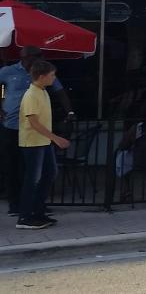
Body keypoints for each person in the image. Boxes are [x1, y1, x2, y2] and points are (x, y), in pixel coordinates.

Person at [2, 47, 74, 219]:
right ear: (26, 57)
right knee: (14, 166)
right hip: (13, 126)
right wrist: (1, 102)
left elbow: (60, 91)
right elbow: (1, 86)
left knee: (38, 171)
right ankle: (18, 207)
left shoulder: (42, 79)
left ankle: (34, 207)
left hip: (36, 132)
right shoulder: (8, 71)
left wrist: (69, 112)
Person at [16, 60, 70, 229]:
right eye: (52, 75)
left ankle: (38, 211)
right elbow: (34, 122)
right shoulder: (31, 94)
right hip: (32, 142)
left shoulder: (43, 91)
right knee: (32, 179)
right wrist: (56, 138)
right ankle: (24, 217)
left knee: (50, 173)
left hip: (43, 141)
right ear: (41, 76)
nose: (54, 78)